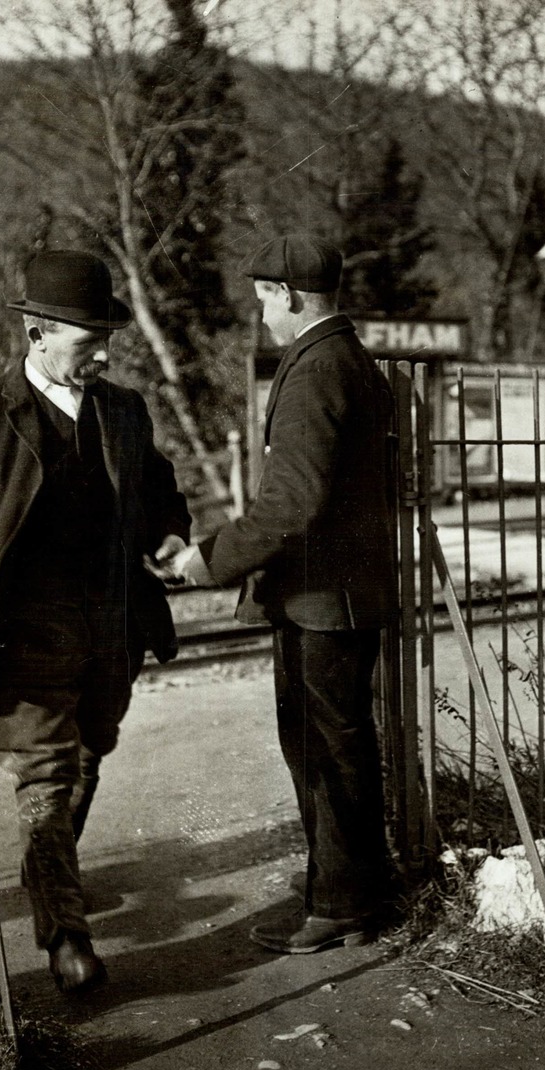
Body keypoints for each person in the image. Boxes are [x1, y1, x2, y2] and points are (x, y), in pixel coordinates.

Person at [0, 249, 191, 994]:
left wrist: (167, 532)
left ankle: (48, 883)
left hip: (110, 626)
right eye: (85, 338)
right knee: (45, 773)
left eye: (108, 338)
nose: (102, 353)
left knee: (92, 752)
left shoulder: (125, 410)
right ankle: (66, 935)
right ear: (36, 331)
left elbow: (159, 490)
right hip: (18, 633)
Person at [169, 234, 398, 954]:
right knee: (341, 748)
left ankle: (339, 905)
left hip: (320, 603)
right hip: (342, 597)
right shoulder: (351, 361)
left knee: (323, 754)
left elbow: (292, 503)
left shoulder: (313, 370)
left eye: (265, 299)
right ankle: (355, 896)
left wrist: (206, 561)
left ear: (290, 297)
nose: (261, 315)